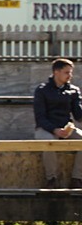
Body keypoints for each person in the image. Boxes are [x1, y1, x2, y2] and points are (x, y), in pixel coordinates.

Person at [33, 57, 82, 188]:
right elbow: (40, 117)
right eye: (66, 72)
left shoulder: (73, 90)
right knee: (49, 144)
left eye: (71, 72)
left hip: (66, 127)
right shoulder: (42, 90)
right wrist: (55, 130)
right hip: (46, 128)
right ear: (56, 72)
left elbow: (78, 114)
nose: (70, 75)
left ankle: (77, 178)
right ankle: (52, 179)